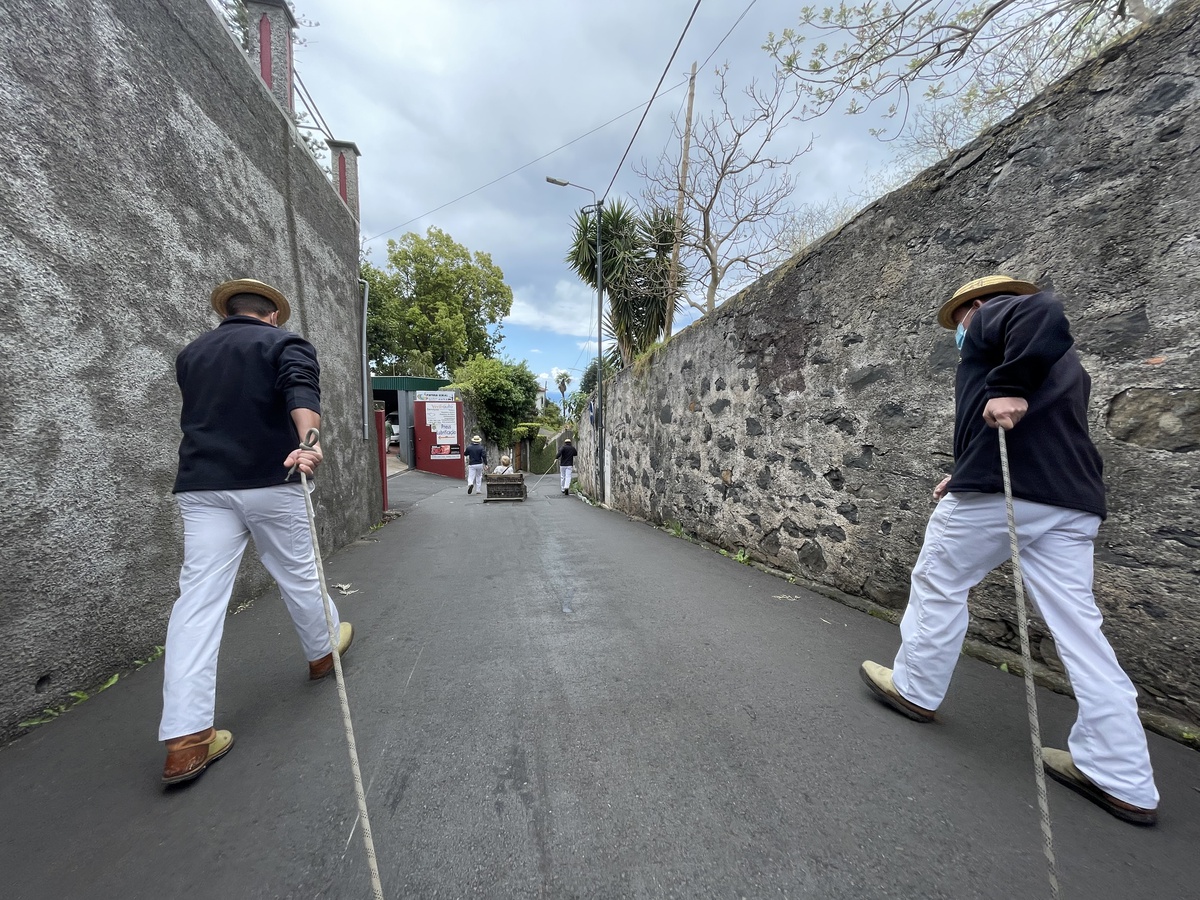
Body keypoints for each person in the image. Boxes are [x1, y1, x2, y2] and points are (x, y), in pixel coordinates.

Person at [860, 275, 1159, 825]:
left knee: (940, 580)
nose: (960, 331)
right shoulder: (1067, 366)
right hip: (1070, 500)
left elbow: (1042, 308)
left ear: (975, 306)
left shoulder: (996, 314)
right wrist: (961, 472)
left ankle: (914, 689)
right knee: (1079, 628)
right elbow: (1036, 428)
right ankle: (1122, 776)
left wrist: (1011, 384)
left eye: (959, 321)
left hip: (1007, 489)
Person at [159, 278, 354, 787]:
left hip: (203, 488)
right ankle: (321, 652)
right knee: (298, 574)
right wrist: (308, 442)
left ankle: (186, 740)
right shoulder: (285, 343)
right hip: (274, 478)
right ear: (271, 316)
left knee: (197, 602)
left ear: (231, 312)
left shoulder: (191, 355)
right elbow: (301, 392)